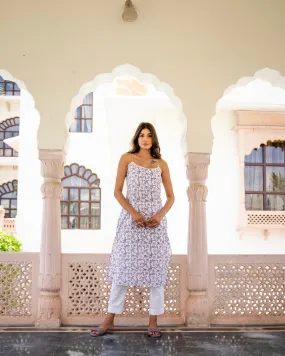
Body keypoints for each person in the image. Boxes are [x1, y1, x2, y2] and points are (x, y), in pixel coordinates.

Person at [90, 122, 174, 338]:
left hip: (155, 225)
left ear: (153, 139)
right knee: (122, 269)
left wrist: (159, 215)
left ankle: (153, 321)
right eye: (141, 135)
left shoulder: (161, 164)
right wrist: (134, 214)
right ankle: (109, 319)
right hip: (130, 222)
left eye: (149, 135)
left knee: (156, 271)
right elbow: (117, 192)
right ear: (136, 138)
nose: (145, 139)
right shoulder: (127, 158)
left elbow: (171, 196)